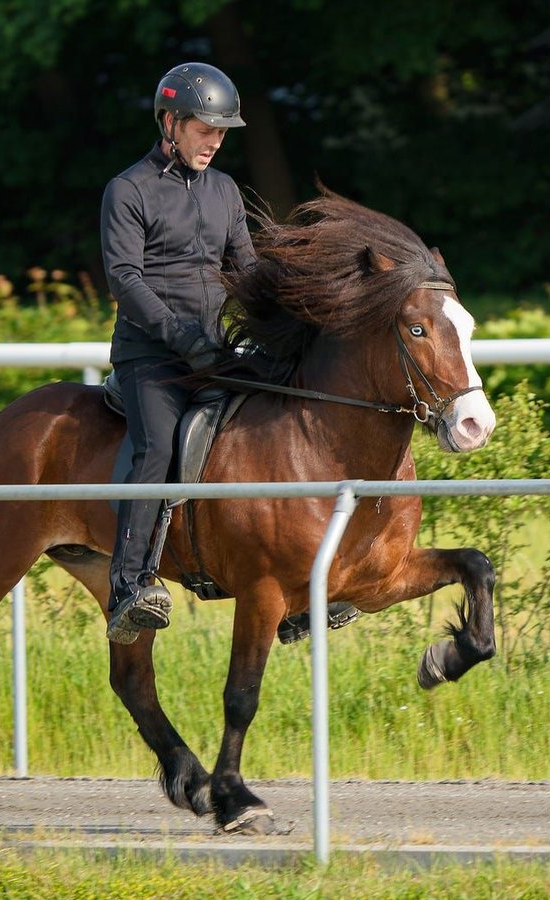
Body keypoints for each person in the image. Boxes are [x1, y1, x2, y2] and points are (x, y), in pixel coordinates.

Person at [99, 62, 357, 645]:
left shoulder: (223, 191)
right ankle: (130, 585)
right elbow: (124, 277)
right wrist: (178, 334)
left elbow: (245, 269)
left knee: (280, 424)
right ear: (170, 122)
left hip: (215, 351)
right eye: (204, 129)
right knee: (158, 445)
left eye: (222, 132)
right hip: (152, 358)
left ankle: (292, 593)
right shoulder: (128, 189)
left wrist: (300, 314)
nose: (215, 142)